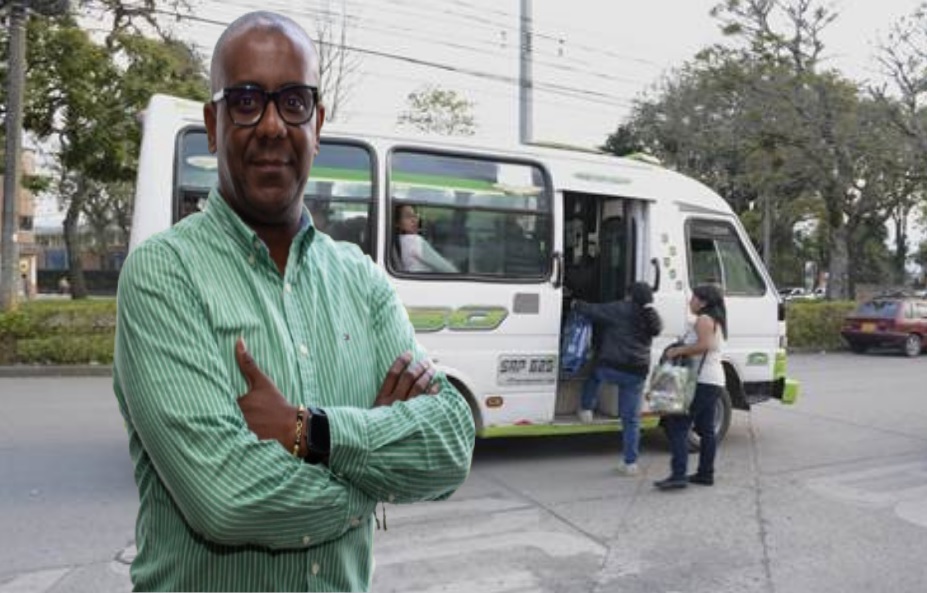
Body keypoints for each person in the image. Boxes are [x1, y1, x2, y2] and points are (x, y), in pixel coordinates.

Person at [112, 12, 475, 592]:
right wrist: (371, 480)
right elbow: (227, 499)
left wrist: (309, 431)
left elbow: (451, 443)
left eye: (294, 102)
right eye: (247, 101)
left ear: (317, 123)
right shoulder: (165, 274)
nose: (272, 126)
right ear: (213, 124)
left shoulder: (360, 280)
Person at [573, 282, 663, 476]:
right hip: (637, 373)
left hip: (612, 366)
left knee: (594, 376)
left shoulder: (621, 309)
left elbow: (593, 311)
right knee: (631, 420)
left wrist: (575, 303)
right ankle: (630, 463)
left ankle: (586, 409)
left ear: (630, 295)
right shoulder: (652, 316)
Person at [655, 283, 727, 490]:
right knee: (706, 429)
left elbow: (705, 345)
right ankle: (705, 473)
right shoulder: (715, 319)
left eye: (694, 297)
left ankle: (678, 475)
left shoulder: (704, 319)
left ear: (703, 302)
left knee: (677, 425)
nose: (690, 301)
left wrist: (677, 351)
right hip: (713, 380)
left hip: (702, 381)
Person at [393, 204, 458, 273]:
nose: (414, 220)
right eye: (408, 216)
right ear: (397, 223)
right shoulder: (414, 241)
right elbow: (450, 270)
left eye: (415, 216)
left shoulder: (398, 240)